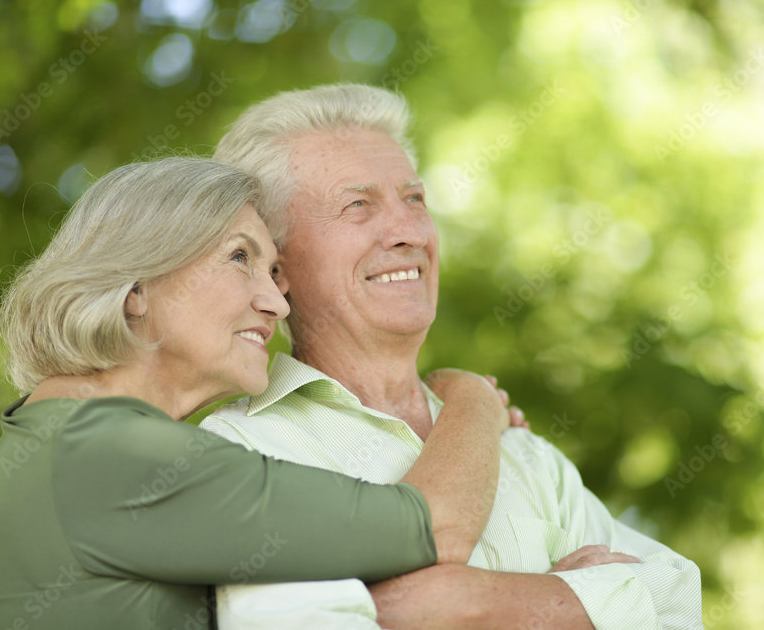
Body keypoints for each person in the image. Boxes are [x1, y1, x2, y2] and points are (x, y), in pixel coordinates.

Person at [201, 84, 704, 629]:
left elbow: (676, 599)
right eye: (358, 205)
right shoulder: (241, 455)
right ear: (276, 268)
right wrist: (582, 600)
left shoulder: (528, 457)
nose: (409, 231)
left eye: (414, 199)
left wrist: (467, 603)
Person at [0, 157, 517, 630]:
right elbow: (431, 526)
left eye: (274, 271)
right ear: (135, 288)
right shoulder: (108, 451)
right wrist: (472, 397)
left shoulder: (57, 434)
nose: (276, 303)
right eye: (239, 258)